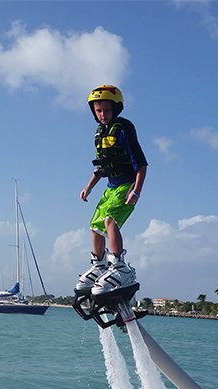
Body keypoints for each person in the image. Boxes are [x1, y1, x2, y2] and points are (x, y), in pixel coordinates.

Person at [76, 85, 147, 296]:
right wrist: (88, 187)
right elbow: (102, 166)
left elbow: (141, 164)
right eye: (98, 111)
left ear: (115, 109)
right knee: (95, 227)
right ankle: (99, 266)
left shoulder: (124, 130)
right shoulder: (100, 133)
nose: (102, 115)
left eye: (106, 110)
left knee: (110, 221)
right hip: (110, 187)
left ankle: (120, 268)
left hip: (127, 185)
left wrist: (136, 191)